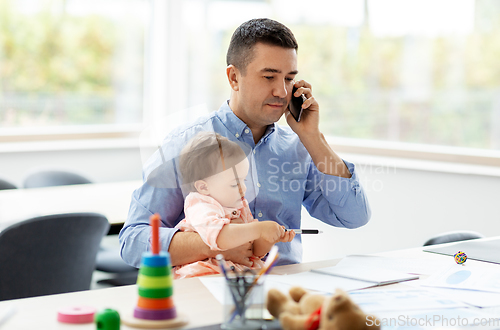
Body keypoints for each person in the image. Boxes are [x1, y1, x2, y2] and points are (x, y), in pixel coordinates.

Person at [120, 18, 371, 269]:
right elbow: (133, 242)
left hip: (282, 292)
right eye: (269, 77)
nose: (282, 92)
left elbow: (354, 217)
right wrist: (218, 244)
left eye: (288, 79)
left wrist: (312, 137)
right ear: (233, 78)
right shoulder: (185, 144)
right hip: (208, 290)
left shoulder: (298, 148)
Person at [172, 131, 293, 279]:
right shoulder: (199, 204)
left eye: (244, 181)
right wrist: (259, 229)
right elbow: (220, 236)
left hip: (238, 272)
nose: (244, 188)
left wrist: (268, 237)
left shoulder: (239, 205)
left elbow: (253, 250)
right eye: (235, 184)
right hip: (206, 270)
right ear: (203, 187)